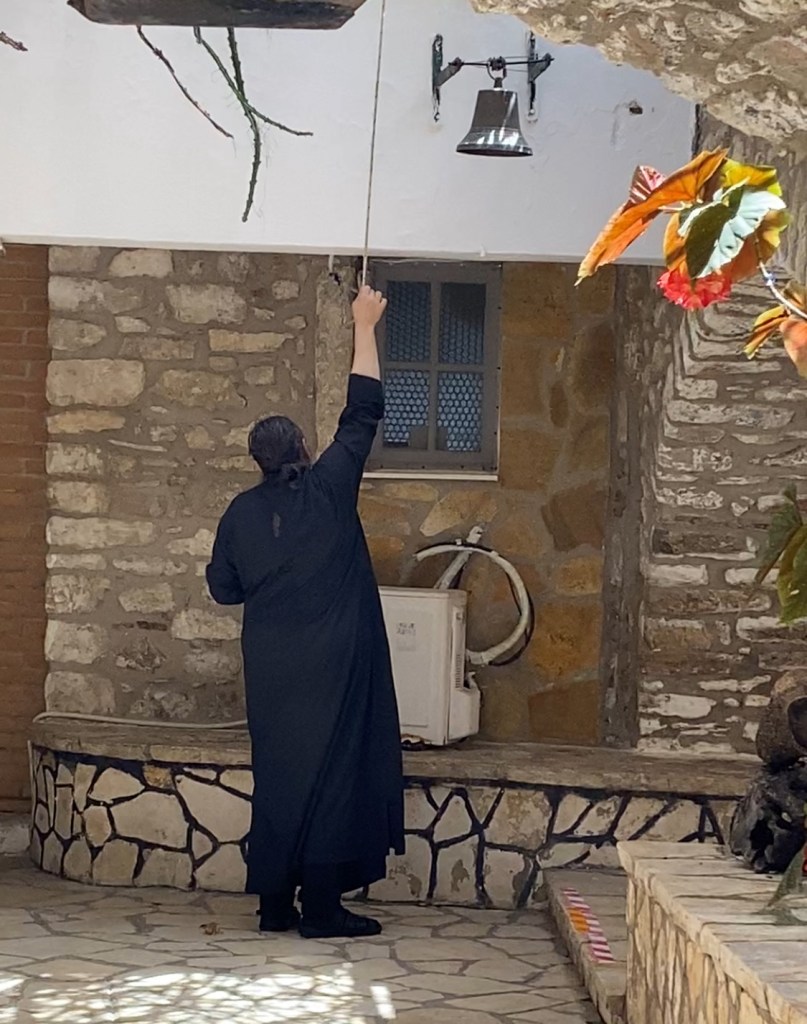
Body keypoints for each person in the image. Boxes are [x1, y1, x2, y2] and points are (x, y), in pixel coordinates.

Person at [206, 284, 404, 940]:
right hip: (336, 662)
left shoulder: (240, 514)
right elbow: (363, 410)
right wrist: (364, 323)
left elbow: (223, 589)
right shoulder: (328, 488)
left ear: (257, 460)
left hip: (272, 669)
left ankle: (273, 905)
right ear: (302, 449)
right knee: (334, 773)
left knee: (280, 775)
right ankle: (320, 908)